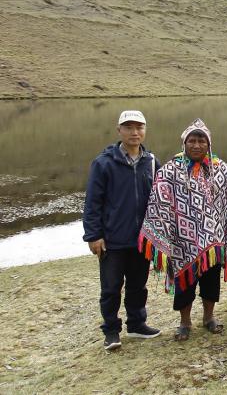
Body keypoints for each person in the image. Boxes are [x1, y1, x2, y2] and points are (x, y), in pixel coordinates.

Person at [139, 119, 227, 341]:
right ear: (184, 143)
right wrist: (169, 230)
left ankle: (209, 317)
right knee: (185, 282)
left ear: (208, 143)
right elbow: (159, 201)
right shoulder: (170, 171)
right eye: (191, 141)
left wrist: (223, 231)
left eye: (201, 140)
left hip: (213, 240)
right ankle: (184, 322)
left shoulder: (221, 170)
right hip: (182, 240)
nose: (196, 145)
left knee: (211, 281)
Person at [82, 110, 161, 351]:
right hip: (113, 240)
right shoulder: (103, 163)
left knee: (138, 285)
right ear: (119, 131)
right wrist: (93, 235)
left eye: (139, 127)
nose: (134, 132)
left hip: (142, 239)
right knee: (111, 288)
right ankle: (111, 331)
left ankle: (137, 324)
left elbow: (162, 199)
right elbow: (92, 203)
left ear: (145, 130)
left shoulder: (152, 162)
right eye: (128, 127)